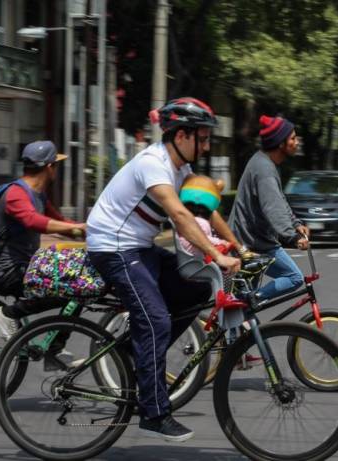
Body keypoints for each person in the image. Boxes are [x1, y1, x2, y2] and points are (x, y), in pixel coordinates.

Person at [86, 97, 240, 442]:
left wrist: (238, 247)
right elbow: (182, 217)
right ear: (181, 135)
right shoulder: (153, 164)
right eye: (202, 137)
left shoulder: (180, 169)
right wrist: (216, 256)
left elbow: (204, 210)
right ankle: (154, 413)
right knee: (155, 319)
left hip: (138, 246)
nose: (207, 144)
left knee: (197, 287)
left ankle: (137, 351)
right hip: (113, 247)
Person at [0, 140, 87, 340]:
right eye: (56, 165)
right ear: (50, 167)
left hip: (27, 266)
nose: (56, 170)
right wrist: (75, 228)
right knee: (75, 288)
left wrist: (91, 232)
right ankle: (8, 314)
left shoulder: (39, 195)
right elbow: (32, 221)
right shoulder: (16, 193)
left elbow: (59, 223)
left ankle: (54, 349)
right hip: (9, 272)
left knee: (84, 283)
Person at [228, 114, 309, 302]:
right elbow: (273, 208)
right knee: (294, 277)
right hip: (254, 244)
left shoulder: (265, 163)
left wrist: (296, 223)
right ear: (281, 143)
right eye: (293, 138)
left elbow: (278, 200)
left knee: (242, 311)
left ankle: (245, 307)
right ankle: (249, 303)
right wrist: (293, 236)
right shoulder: (264, 169)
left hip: (252, 241)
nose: (296, 142)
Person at [177, 174, 240, 258]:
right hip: (197, 259)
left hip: (191, 255)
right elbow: (202, 237)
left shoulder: (185, 220)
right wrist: (221, 242)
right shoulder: (200, 222)